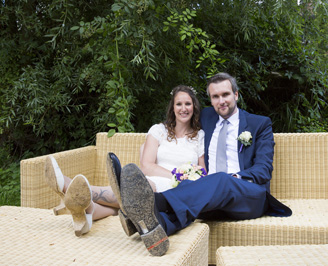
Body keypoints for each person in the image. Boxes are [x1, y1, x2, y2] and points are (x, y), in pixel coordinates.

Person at [111, 73, 292, 256]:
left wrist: (234, 177)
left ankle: (155, 202)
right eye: (215, 97)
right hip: (210, 199)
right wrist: (146, 150)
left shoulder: (259, 124)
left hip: (248, 195)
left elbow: (264, 169)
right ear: (211, 101)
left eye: (225, 94)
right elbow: (174, 125)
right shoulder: (206, 118)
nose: (221, 101)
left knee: (221, 179)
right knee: (192, 186)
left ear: (236, 95)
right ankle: (158, 227)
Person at [44, 85, 206, 237]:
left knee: (140, 192)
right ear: (172, 107)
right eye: (179, 104)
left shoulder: (200, 136)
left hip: (180, 190)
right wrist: (174, 174)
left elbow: (203, 173)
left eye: (188, 104)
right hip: (155, 180)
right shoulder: (159, 131)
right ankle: (87, 207)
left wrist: (189, 177)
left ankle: (76, 191)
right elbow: (147, 166)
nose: (183, 108)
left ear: (194, 107)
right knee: (143, 188)